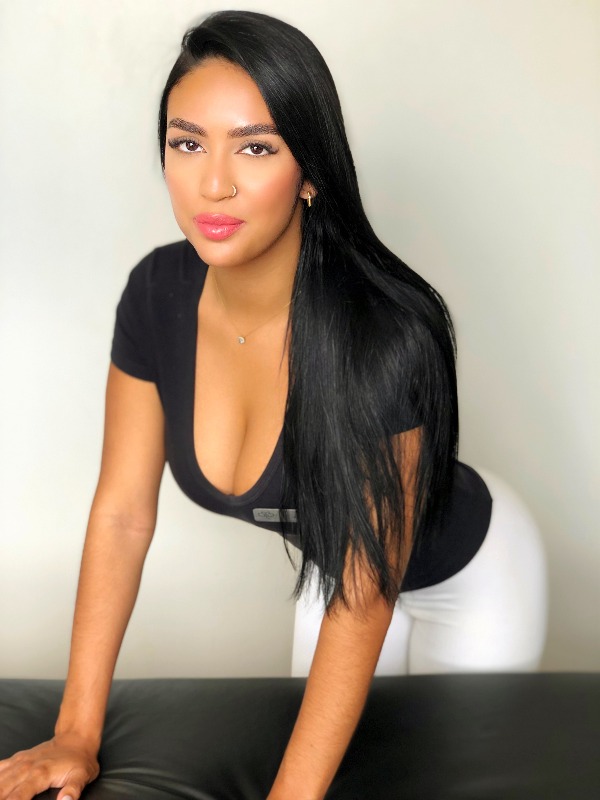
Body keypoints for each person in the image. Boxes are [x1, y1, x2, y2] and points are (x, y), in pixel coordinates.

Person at [0, 10, 547, 800]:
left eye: (255, 147)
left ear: (311, 172)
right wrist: (76, 733)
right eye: (188, 143)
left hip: (470, 578)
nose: (213, 183)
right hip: (337, 572)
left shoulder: (382, 333)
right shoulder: (156, 294)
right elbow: (121, 517)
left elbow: (368, 593)